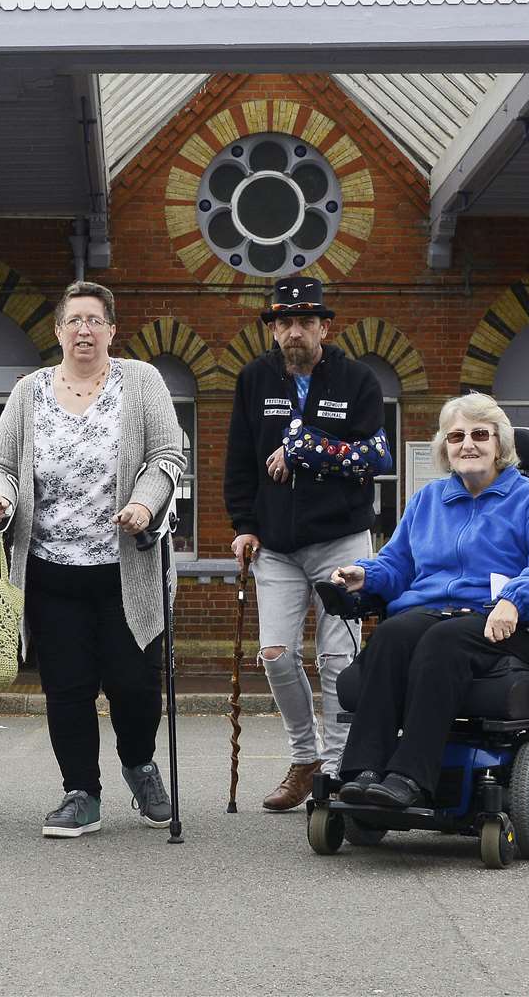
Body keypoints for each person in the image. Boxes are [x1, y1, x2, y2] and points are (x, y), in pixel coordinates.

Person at [0, 279, 186, 838]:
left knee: (134, 683)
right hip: (51, 569)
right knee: (66, 687)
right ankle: (80, 792)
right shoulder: (28, 393)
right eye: (74, 321)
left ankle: (140, 765)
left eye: (95, 320)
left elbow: (169, 455)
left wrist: (144, 505)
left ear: (112, 330)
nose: (84, 330)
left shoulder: (142, 382)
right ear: (58, 331)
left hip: (126, 569)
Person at [330, 393, 529, 807]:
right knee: (394, 633)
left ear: (500, 444)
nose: (468, 444)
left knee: (443, 641)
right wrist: (367, 574)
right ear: (445, 449)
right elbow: (398, 564)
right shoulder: (427, 501)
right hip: (432, 613)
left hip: (505, 622)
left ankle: (409, 778)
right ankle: (363, 771)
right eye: (456, 436)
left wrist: (514, 598)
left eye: (479, 434)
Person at [224, 275, 386, 810]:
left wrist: (304, 449)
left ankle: (341, 768)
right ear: (273, 329)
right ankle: (306, 758)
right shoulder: (253, 380)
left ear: (325, 327)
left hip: (342, 541)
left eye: (305, 322)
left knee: (339, 658)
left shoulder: (357, 380)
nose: (295, 331)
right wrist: (243, 525)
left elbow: (374, 459)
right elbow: (239, 464)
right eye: (285, 322)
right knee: (275, 655)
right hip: (276, 545)